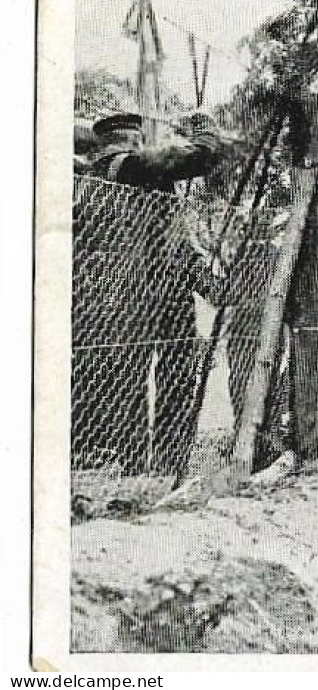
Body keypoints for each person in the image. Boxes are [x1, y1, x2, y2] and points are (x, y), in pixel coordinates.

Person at [72, 111, 228, 476]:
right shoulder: (124, 168)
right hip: (143, 290)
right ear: (130, 140)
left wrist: (209, 285)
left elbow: (170, 241)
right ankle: (152, 467)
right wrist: (202, 130)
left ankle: (147, 466)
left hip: (132, 291)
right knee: (155, 379)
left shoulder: (104, 179)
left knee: (147, 378)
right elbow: (201, 157)